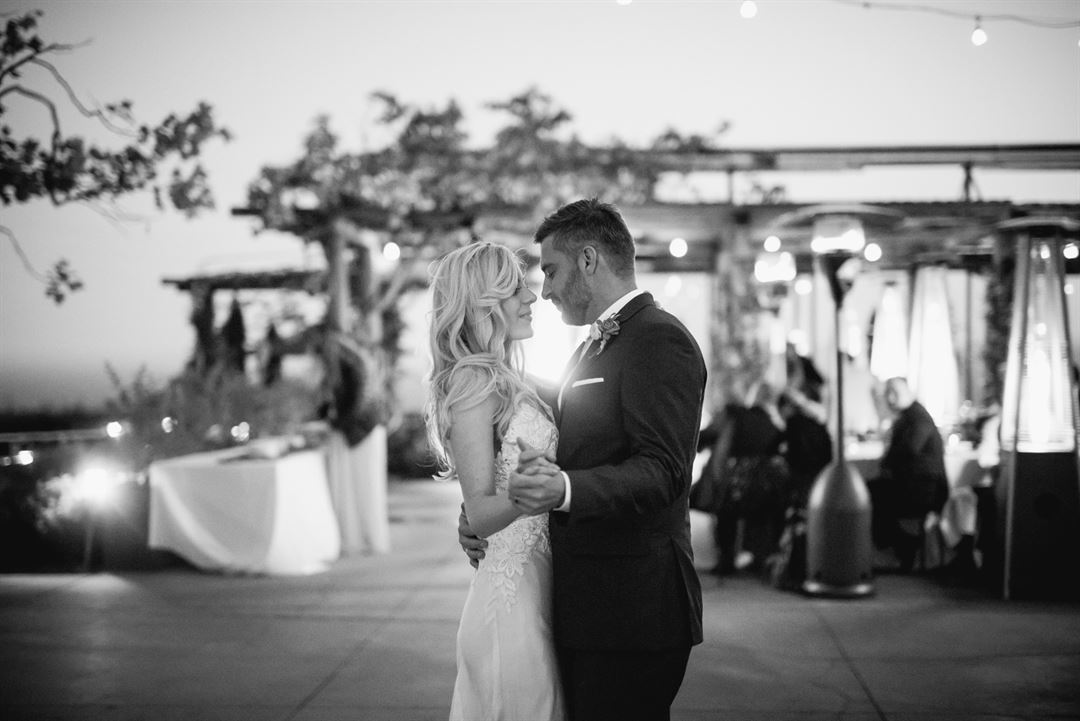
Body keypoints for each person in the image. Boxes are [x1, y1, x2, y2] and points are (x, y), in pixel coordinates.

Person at [459, 198, 707, 721]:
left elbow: (664, 471)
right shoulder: (592, 348)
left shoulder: (659, 339)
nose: (544, 290)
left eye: (550, 270)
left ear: (589, 259)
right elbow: (549, 424)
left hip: (633, 614)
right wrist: (485, 504)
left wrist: (563, 490)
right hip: (584, 612)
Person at [426, 241, 565, 721]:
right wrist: (525, 495)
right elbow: (482, 513)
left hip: (537, 589)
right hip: (509, 605)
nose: (531, 297)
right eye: (514, 290)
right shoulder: (471, 383)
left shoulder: (509, 379)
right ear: (481, 305)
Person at [868, 376, 949, 571]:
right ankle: (897, 547)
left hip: (924, 490)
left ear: (906, 393)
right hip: (918, 485)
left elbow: (909, 450)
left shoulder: (917, 418)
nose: (889, 399)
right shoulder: (911, 416)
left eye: (893, 393)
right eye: (887, 393)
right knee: (871, 492)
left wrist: (888, 463)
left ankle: (899, 547)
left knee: (869, 495)